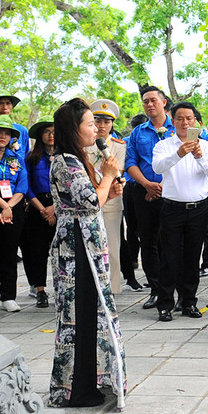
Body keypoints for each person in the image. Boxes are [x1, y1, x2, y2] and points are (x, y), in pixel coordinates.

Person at [47, 97, 126, 410]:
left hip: (89, 243)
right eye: (91, 124)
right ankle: (73, 389)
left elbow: (98, 196)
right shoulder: (65, 162)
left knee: (91, 314)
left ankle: (92, 382)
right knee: (77, 316)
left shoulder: (81, 160)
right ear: (73, 129)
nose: (97, 129)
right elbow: (91, 202)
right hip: (75, 247)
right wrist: (107, 177)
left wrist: (110, 186)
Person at [150, 101, 208, 321]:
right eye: (180, 118)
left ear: (196, 122)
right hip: (172, 208)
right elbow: (157, 168)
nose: (184, 122)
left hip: (199, 209)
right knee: (169, 258)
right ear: (173, 120)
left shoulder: (206, 146)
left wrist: (198, 155)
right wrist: (179, 153)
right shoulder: (164, 145)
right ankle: (165, 304)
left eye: (189, 118)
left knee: (192, 258)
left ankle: (189, 302)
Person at [125, 86, 176, 310]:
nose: (149, 104)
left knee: (172, 242)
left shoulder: (178, 128)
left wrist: (164, 185)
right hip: (143, 192)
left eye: (153, 100)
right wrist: (147, 184)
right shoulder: (138, 132)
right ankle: (155, 289)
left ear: (164, 102)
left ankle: (172, 289)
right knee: (148, 241)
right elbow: (130, 163)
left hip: (172, 191)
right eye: (145, 101)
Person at [0, 115, 29, 315]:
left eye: (7, 133)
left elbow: (22, 184)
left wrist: (9, 206)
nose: (3, 136)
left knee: (9, 252)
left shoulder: (15, 158)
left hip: (13, 207)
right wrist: (3, 206)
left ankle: (8, 296)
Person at [85, 99, 127, 296]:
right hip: (87, 199)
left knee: (112, 245)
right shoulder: (84, 144)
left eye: (106, 122)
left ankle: (113, 288)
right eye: (98, 121)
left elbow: (118, 171)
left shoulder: (118, 145)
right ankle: (92, 286)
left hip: (111, 199)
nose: (102, 126)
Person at [21, 120, 56, 308]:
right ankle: (40, 290)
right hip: (37, 206)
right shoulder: (32, 157)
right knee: (38, 251)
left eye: (54, 132)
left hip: (59, 206)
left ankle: (62, 288)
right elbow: (27, 187)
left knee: (61, 250)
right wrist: (42, 209)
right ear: (40, 136)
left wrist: (54, 208)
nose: (51, 135)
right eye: (46, 132)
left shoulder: (64, 156)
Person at [121, 112, 147, 291]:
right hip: (132, 187)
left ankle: (133, 259)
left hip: (137, 187)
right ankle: (132, 261)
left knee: (134, 228)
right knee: (135, 228)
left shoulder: (126, 139)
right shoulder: (127, 140)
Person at [0, 93, 30, 159]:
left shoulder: (22, 130)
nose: (4, 107)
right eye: (0, 103)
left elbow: (26, 155)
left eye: (8, 103)